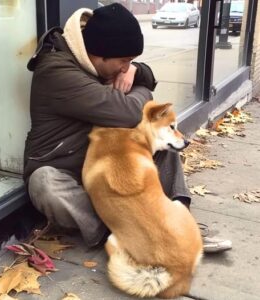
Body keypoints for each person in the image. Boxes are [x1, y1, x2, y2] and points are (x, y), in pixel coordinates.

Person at [24, 3, 232, 253]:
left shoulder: (98, 57)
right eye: (124, 61)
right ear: (98, 54)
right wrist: (141, 87)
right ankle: (116, 234)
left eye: (130, 61)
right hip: (66, 169)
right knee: (44, 183)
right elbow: (130, 113)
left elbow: (145, 78)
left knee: (161, 140)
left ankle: (178, 220)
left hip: (105, 161)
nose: (125, 68)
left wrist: (136, 70)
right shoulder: (56, 71)